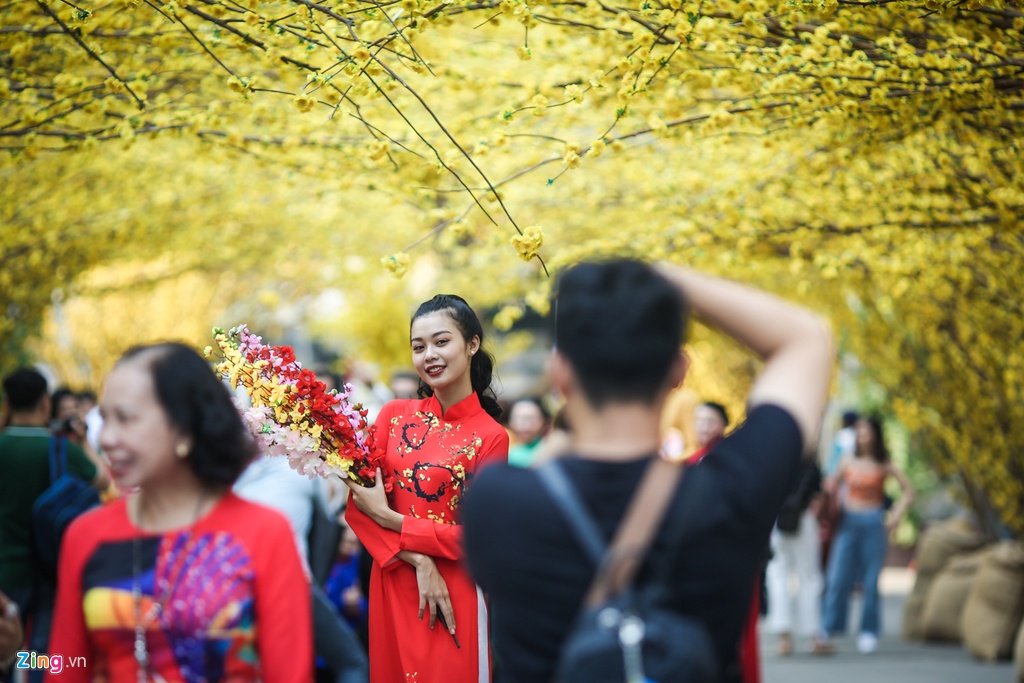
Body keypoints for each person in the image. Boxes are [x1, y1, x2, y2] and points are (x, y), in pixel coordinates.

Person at [462, 259, 834, 683]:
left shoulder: (497, 502)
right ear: (678, 370)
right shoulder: (729, 492)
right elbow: (807, 339)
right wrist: (663, 277)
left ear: (560, 374)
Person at [47, 343, 312, 682]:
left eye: (126, 419)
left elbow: (290, 673)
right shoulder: (86, 535)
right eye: (105, 418)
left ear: (184, 427)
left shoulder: (264, 532)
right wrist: (16, 656)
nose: (108, 438)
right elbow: (64, 665)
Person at [344, 294, 510, 683]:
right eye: (418, 347)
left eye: (441, 341)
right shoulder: (393, 416)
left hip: (452, 595)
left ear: (472, 344)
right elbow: (359, 506)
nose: (429, 355)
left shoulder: (491, 437)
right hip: (392, 579)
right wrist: (420, 560)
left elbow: (481, 540)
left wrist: (392, 519)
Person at [0, 369, 109, 683]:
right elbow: (102, 479)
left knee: (4, 648)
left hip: (5, 570)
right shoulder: (59, 447)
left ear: (8, 402)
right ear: (45, 403)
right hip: (49, 567)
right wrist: (83, 441)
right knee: (42, 650)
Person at [234, 453, 368, 683]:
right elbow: (331, 511)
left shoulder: (242, 478)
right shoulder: (302, 470)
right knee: (352, 662)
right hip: (291, 581)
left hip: (239, 581)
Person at [820, 416, 914, 654]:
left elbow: (908, 491)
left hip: (873, 523)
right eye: (858, 432)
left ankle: (868, 630)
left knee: (871, 581)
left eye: (866, 432)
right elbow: (829, 485)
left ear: (875, 435)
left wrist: (895, 514)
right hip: (848, 523)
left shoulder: (883, 463)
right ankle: (829, 626)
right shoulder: (846, 460)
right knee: (837, 577)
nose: (861, 437)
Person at [765, 459, 829, 655]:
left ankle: (784, 637)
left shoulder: (775, 457)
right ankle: (813, 636)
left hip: (778, 518)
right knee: (808, 577)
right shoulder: (808, 460)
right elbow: (819, 493)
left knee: (778, 575)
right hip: (803, 518)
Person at [506, 397, 550, 468]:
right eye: (518, 418)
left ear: (544, 420)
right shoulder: (508, 453)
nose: (525, 424)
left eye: (530, 418)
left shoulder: (551, 449)